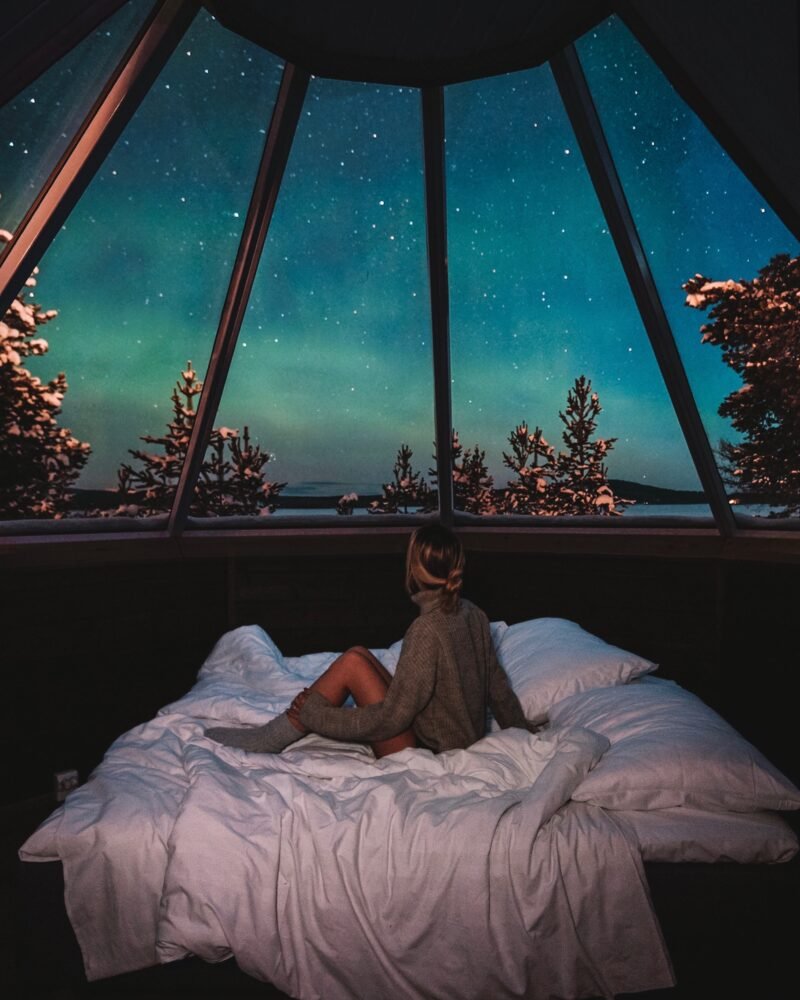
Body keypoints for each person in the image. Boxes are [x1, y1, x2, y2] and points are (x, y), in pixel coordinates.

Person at [206, 523, 534, 758]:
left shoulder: (426, 630)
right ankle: (284, 726)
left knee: (350, 665)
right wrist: (523, 733)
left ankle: (279, 731)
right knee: (357, 655)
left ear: (415, 570)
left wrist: (318, 717)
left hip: (428, 750)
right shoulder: (473, 613)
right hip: (444, 736)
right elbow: (499, 688)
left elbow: (392, 719)